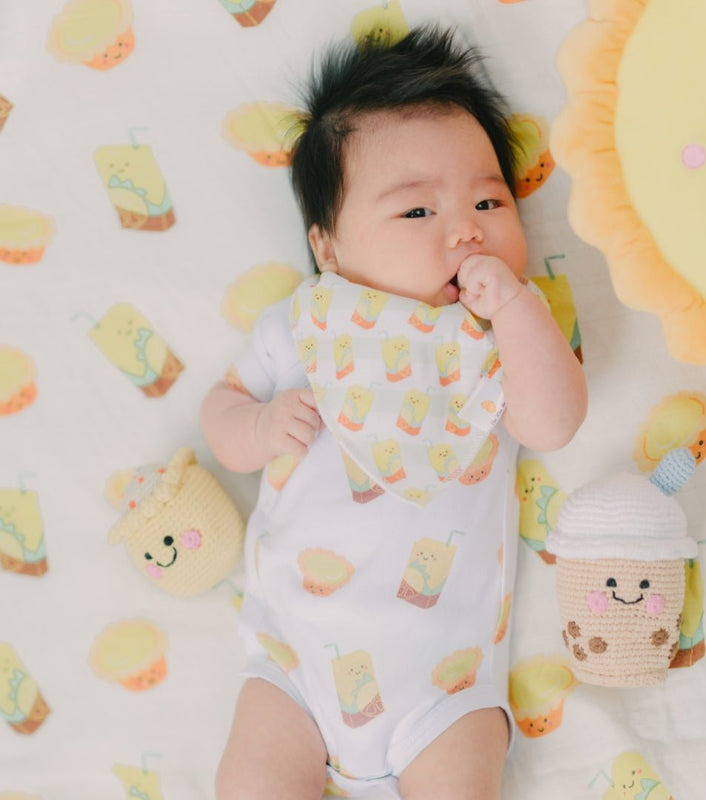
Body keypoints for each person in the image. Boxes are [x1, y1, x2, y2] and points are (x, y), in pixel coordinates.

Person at [201, 25, 587, 800]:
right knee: (249, 786)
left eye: (488, 200)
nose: (465, 228)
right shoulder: (308, 324)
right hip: (298, 665)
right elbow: (221, 411)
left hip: (445, 685)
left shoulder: (500, 332)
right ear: (329, 249)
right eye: (416, 213)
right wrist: (256, 428)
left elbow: (553, 423)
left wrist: (515, 311)